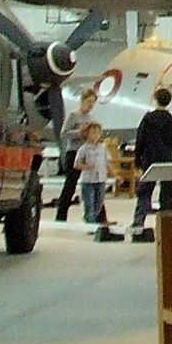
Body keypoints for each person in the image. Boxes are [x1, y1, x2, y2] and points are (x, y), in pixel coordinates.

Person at [130, 88, 172, 243]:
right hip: (167, 157)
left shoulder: (148, 119)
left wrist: (137, 159)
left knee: (145, 191)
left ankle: (138, 224)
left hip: (150, 157)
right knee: (167, 193)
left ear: (155, 99)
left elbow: (140, 139)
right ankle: (167, 228)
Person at [53, 89, 99, 222]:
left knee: (94, 182)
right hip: (74, 152)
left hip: (88, 152)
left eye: (93, 103)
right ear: (83, 101)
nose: (90, 105)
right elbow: (63, 134)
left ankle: (96, 215)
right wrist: (79, 133)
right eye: (89, 102)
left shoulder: (91, 118)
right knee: (70, 184)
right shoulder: (73, 116)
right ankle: (61, 215)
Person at [72, 122, 120, 241]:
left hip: (101, 179)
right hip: (88, 180)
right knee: (90, 202)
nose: (95, 135)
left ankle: (91, 217)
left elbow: (107, 163)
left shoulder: (102, 149)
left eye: (97, 132)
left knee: (99, 202)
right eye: (92, 132)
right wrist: (86, 166)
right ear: (86, 134)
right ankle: (91, 224)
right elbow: (76, 164)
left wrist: (115, 175)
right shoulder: (83, 149)